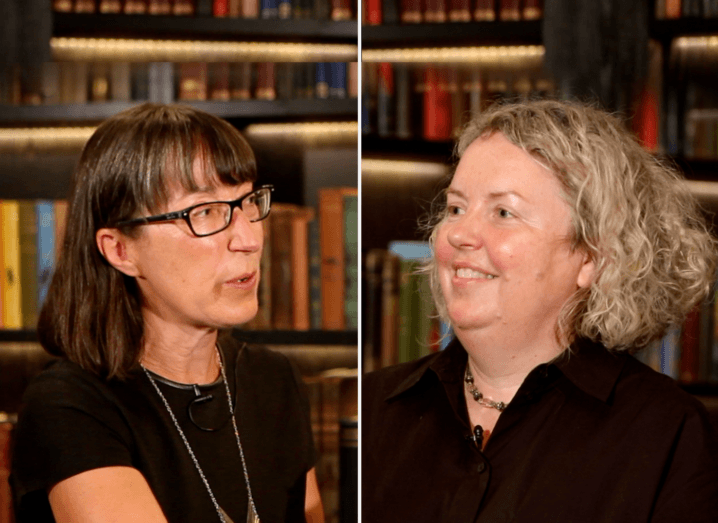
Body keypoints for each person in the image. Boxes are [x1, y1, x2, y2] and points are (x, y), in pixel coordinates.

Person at [362, 99, 718, 522]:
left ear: (591, 256)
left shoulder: (669, 436)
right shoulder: (373, 409)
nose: (459, 233)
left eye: (503, 212)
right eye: (456, 207)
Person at [10, 103, 324, 523]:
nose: (248, 239)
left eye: (248, 202)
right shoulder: (68, 405)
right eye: (205, 212)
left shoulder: (274, 379)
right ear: (121, 250)